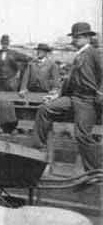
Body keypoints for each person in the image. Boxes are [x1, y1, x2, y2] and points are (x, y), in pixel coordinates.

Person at [33, 22, 102, 172]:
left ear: (86, 38)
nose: (73, 41)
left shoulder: (93, 53)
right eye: (74, 37)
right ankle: (39, 151)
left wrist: (100, 94)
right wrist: (55, 96)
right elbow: (69, 81)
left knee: (82, 135)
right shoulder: (78, 55)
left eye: (77, 38)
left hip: (87, 101)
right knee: (45, 109)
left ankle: (95, 171)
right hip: (72, 98)